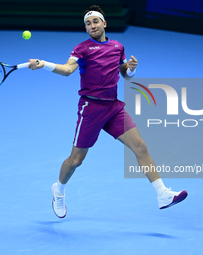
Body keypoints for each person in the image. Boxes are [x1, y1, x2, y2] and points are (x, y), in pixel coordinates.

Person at [28, 5, 187, 218]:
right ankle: (58, 190)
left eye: (95, 21)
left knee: (140, 146)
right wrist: (43, 64)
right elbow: (67, 70)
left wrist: (131, 69)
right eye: (88, 23)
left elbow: (125, 74)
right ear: (86, 28)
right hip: (91, 109)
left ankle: (163, 194)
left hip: (113, 107)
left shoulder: (117, 46)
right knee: (76, 161)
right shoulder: (82, 49)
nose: (92, 26)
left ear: (104, 23)